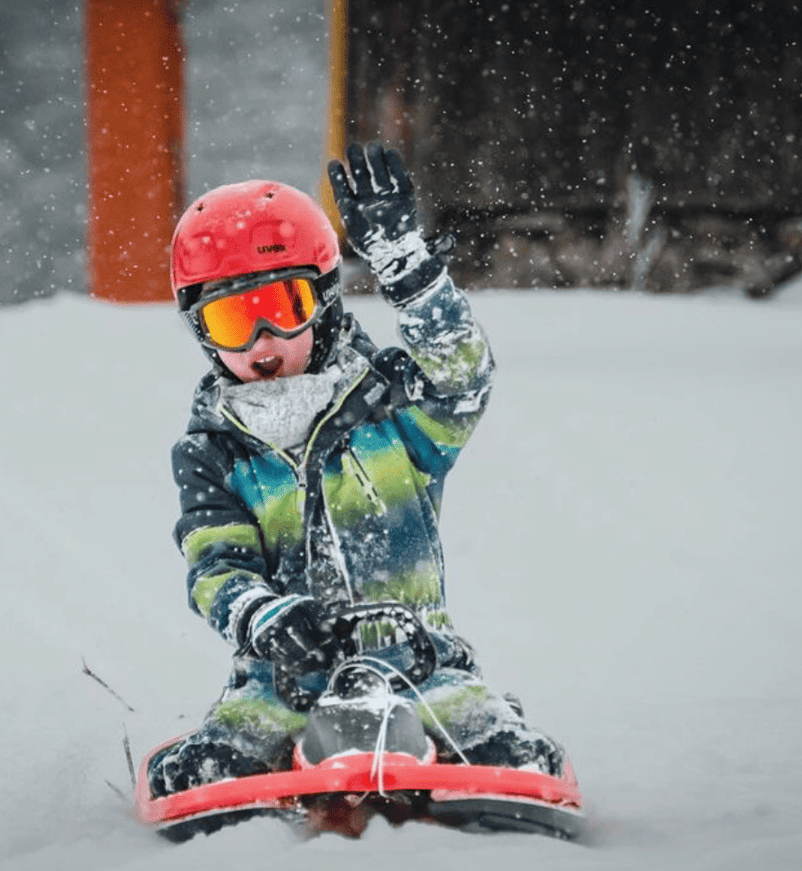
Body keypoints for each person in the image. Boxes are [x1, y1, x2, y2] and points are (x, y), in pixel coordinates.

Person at [148, 142, 565, 799]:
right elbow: (215, 568)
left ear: (323, 303)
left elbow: (463, 381)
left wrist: (411, 274)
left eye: (281, 309)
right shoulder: (215, 451)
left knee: (515, 762)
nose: (261, 341)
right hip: (284, 675)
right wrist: (265, 616)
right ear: (205, 336)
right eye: (232, 320)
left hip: (420, 661)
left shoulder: (391, 408)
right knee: (211, 770)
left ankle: (482, 750)